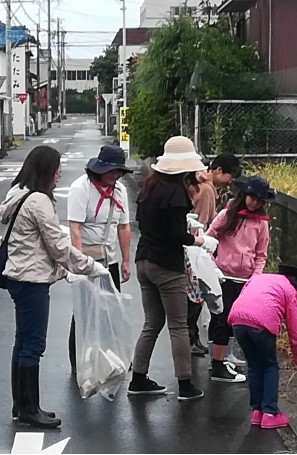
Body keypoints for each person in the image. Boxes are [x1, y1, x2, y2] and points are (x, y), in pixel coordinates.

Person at [0, 146, 110, 428]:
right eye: (57, 167)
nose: (60, 173)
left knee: (22, 342)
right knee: (33, 345)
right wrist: (90, 266)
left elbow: (39, 245)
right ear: (46, 170)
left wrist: (64, 270)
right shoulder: (38, 202)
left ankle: (21, 405)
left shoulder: (18, 194)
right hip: (32, 280)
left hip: (18, 277)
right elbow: (59, 247)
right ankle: (30, 408)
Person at [128, 136, 219, 401]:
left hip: (143, 259)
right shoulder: (176, 192)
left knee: (152, 323)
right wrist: (201, 240)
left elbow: (146, 224)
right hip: (167, 264)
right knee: (179, 326)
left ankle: (138, 379)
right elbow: (177, 235)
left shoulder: (149, 186)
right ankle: (185, 385)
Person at [66, 145, 132, 373]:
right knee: (84, 311)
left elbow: (123, 227)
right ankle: (79, 362)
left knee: (109, 309)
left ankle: (109, 358)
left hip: (109, 259)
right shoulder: (80, 188)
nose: (115, 176)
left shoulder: (120, 191)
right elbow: (75, 228)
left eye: (118, 172)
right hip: (87, 259)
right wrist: (79, 264)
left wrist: (125, 260)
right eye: (111, 171)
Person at [228, 265, 297, 429]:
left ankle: (257, 412)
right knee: (270, 366)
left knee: (255, 365)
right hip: (261, 323)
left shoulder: (259, 279)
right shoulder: (290, 291)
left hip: (237, 320)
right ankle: (270, 413)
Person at [205, 176, 274, 382]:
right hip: (224, 275)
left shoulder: (261, 224)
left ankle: (223, 356)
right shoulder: (227, 215)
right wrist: (213, 265)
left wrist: (256, 278)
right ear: (244, 195)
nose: (254, 202)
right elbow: (208, 239)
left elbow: (261, 254)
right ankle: (217, 364)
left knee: (235, 318)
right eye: (251, 197)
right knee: (221, 318)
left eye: (259, 200)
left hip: (245, 280)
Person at [187, 153, 240, 357]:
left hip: (192, 246)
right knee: (196, 296)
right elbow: (200, 223)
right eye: (229, 175)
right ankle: (192, 339)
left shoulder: (199, 183)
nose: (230, 181)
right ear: (218, 170)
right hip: (196, 248)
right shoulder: (208, 190)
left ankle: (193, 339)